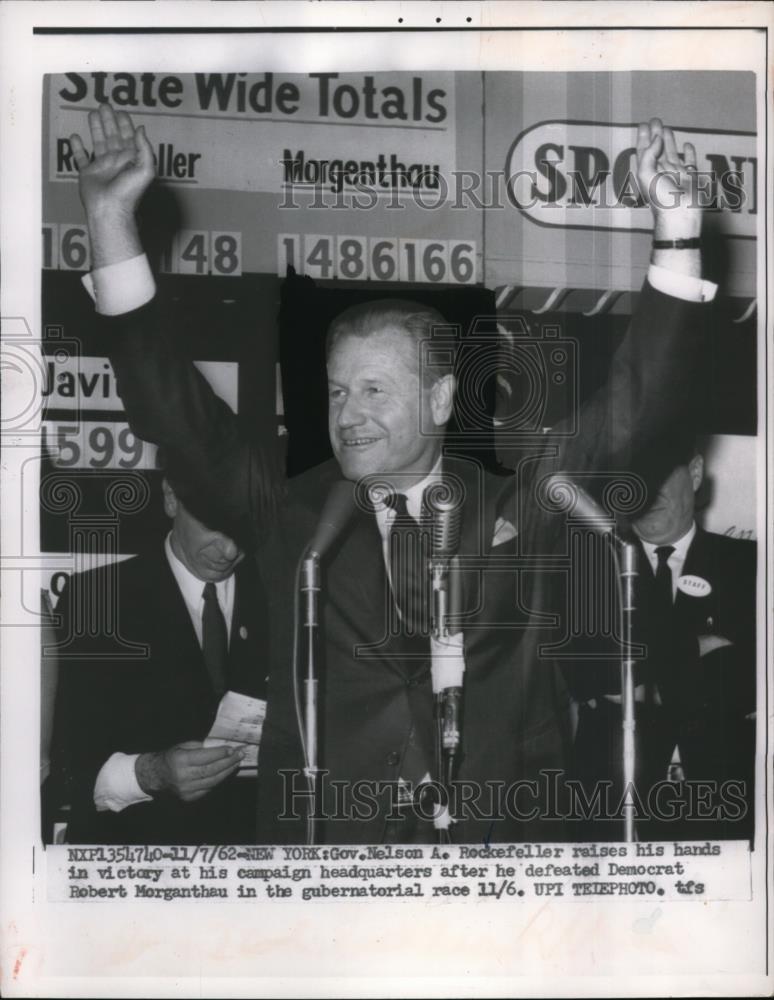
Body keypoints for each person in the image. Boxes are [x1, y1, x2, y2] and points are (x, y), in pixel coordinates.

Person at [68, 103, 716, 844]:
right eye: (338, 393)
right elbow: (174, 412)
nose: (349, 416)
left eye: (375, 391)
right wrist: (113, 222)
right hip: (327, 863)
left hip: (495, 867)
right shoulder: (288, 510)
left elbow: (635, 413)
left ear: (440, 396)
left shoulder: (520, 496)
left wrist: (678, 233)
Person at [49, 477, 269, 844]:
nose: (230, 550)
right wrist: (149, 773)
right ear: (171, 497)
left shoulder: (287, 594)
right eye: (214, 526)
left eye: (245, 531)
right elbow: (62, 768)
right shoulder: (96, 601)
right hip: (135, 861)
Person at [572, 437, 757, 840]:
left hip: (726, 800)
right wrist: (697, 647)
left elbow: (747, 682)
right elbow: (594, 674)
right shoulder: (589, 571)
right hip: (606, 802)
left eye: (657, 476)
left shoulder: (751, 565)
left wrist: (646, 673)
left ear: (693, 474)